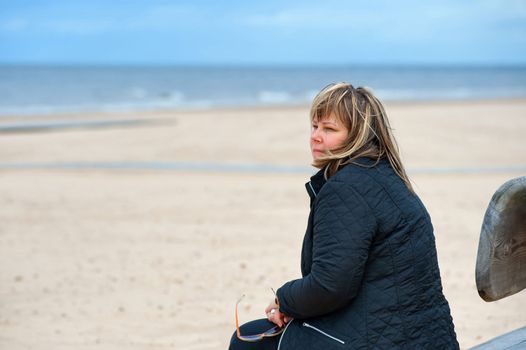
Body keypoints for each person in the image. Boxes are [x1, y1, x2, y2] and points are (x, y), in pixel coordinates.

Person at [229, 82, 459, 349]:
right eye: (315, 126)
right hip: (427, 338)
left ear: (357, 136)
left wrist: (284, 300)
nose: (315, 136)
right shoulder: (387, 177)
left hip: (384, 340)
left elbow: (330, 287)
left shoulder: (346, 189)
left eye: (329, 129)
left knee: (247, 340)